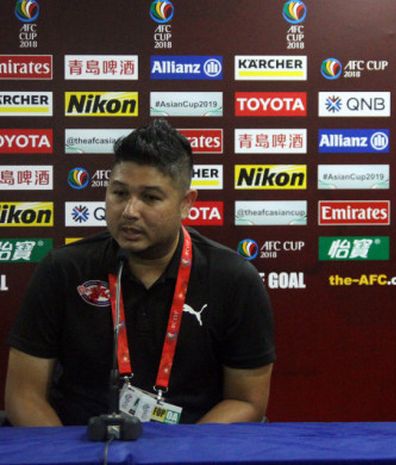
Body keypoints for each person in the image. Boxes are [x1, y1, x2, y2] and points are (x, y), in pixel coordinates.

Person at [5, 119, 275, 426]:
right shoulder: (63, 270)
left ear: (186, 203)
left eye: (150, 197)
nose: (130, 211)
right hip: (83, 447)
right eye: (119, 193)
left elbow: (246, 400)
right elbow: (23, 395)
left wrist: (184, 456)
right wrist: (70, 458)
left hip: (192, 447)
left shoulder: (234, 279)